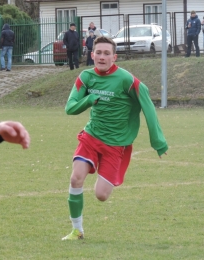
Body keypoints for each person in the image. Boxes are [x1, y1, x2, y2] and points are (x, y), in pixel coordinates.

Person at [62, 36, 168, 241]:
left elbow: (148, 107)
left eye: (106, 53)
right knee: (76, 178)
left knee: (101, 195)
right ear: (92, 55)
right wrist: (89, 99)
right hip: (91, 137)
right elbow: (70, 108)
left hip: (115, 144)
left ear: (114, 57)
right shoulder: (85, 77)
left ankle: (82, 223)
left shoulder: (127, 80)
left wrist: (158, 141)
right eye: (98, 53)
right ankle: (77, 230)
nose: (102, 57)